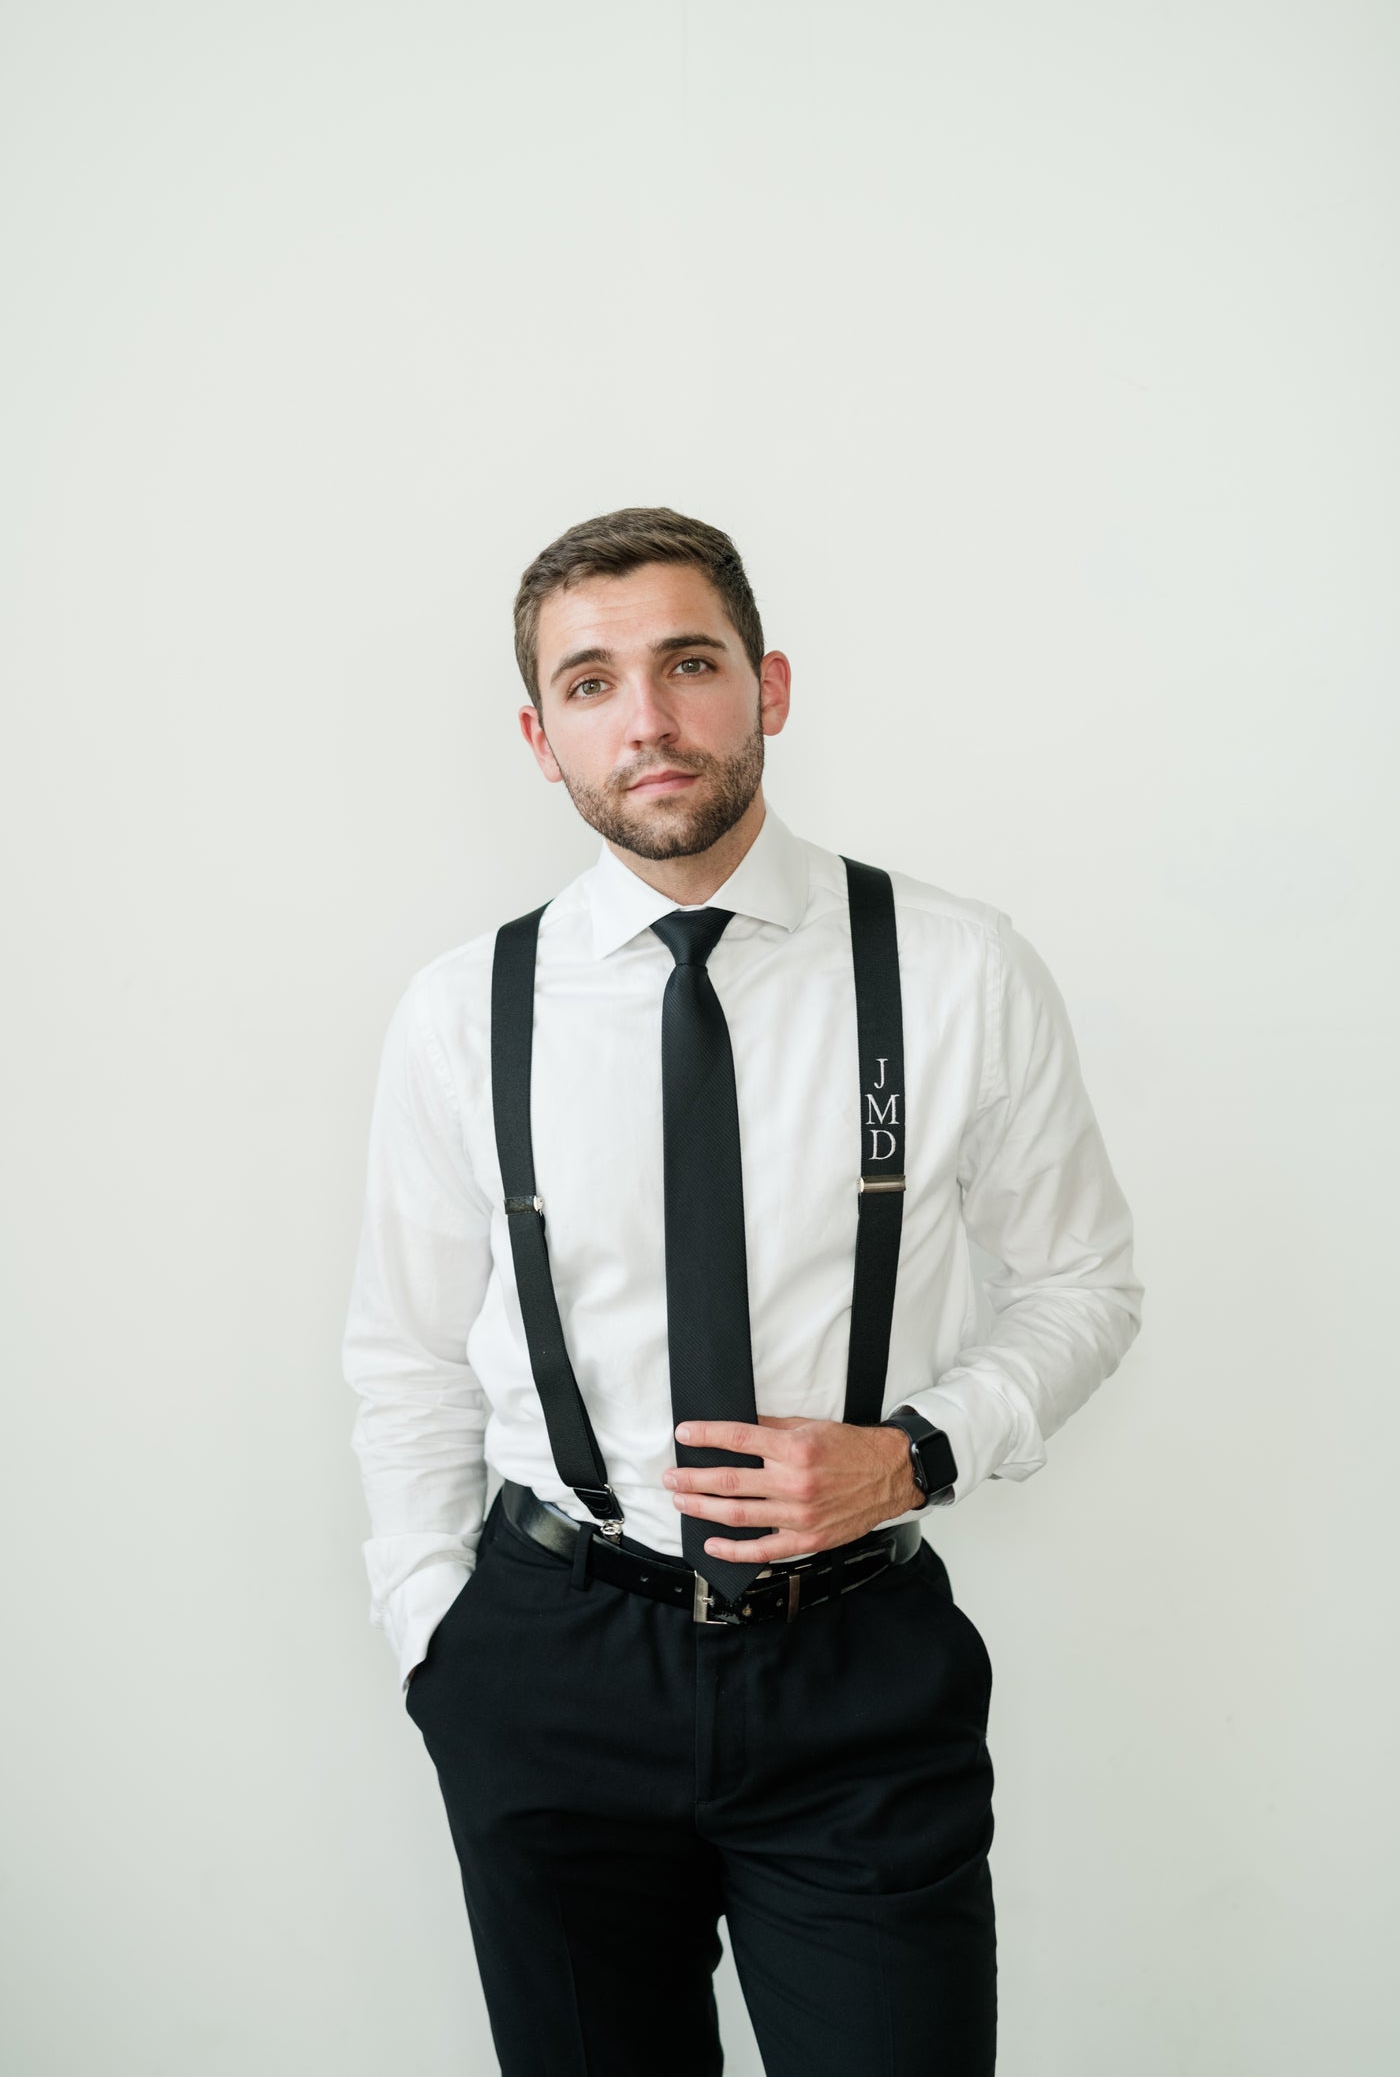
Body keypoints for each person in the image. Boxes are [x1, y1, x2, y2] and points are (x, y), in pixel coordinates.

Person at [342, 505, 1145, 2077]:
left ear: (768, 687)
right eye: (589, 683)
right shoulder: (463, 1013)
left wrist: (915, 1451)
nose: (646, 719)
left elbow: (1083, 1285)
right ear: (540, 736)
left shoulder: (957, 967)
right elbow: (409, 1353)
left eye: (687, 663)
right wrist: (434, 1636)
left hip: (855, 1680)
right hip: (549, 1662)